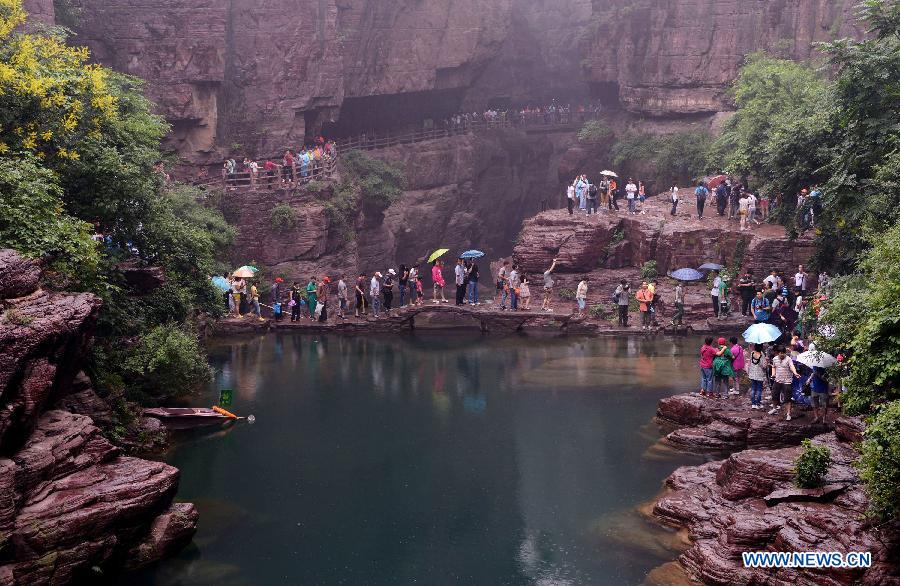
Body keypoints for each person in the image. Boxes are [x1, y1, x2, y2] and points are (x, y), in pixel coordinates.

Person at [769, 345, 801, 420]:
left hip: (787, 381)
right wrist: (773, 374)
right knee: (774, 395)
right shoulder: (775, 359)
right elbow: (774, 367)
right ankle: (774, 409)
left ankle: (788, 414)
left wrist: (795, 373)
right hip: (777, 380)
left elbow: (792, 366)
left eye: (784, 353)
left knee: (787, 398)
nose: (782, 354)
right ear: (778, 353)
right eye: (781, 353)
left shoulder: (788, 359)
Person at [747, 344, 768, 409]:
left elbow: (750, 362)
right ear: (761, 348)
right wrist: (766, 362)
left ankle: (753, 404)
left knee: (753, 389)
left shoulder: (752, 353)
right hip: (759, 374)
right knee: (759, 389)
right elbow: (764, 366)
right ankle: (758, 403)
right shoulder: (762, 354)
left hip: (753, 374)